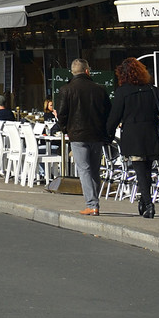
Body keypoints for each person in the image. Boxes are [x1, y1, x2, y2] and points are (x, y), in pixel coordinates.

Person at [106, 56, 159, 219]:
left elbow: (115, 116)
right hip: (150, 133)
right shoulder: (152, 90)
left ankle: (148, 204)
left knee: (140, 171)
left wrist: (107, 134)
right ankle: (144, 201)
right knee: (147, 170)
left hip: (133, 135)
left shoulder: (122, 92)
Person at [55, 58, 111, 217]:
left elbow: (62, 114)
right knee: (94, 169)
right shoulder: (99, 89)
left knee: (84, 169)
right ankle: (94, 203)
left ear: (72, 72)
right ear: (87, 71)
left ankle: (92, 204)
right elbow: (108, 112)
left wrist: (65, 129)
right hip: (96, 134)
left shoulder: (66, 89)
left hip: (77, 134)